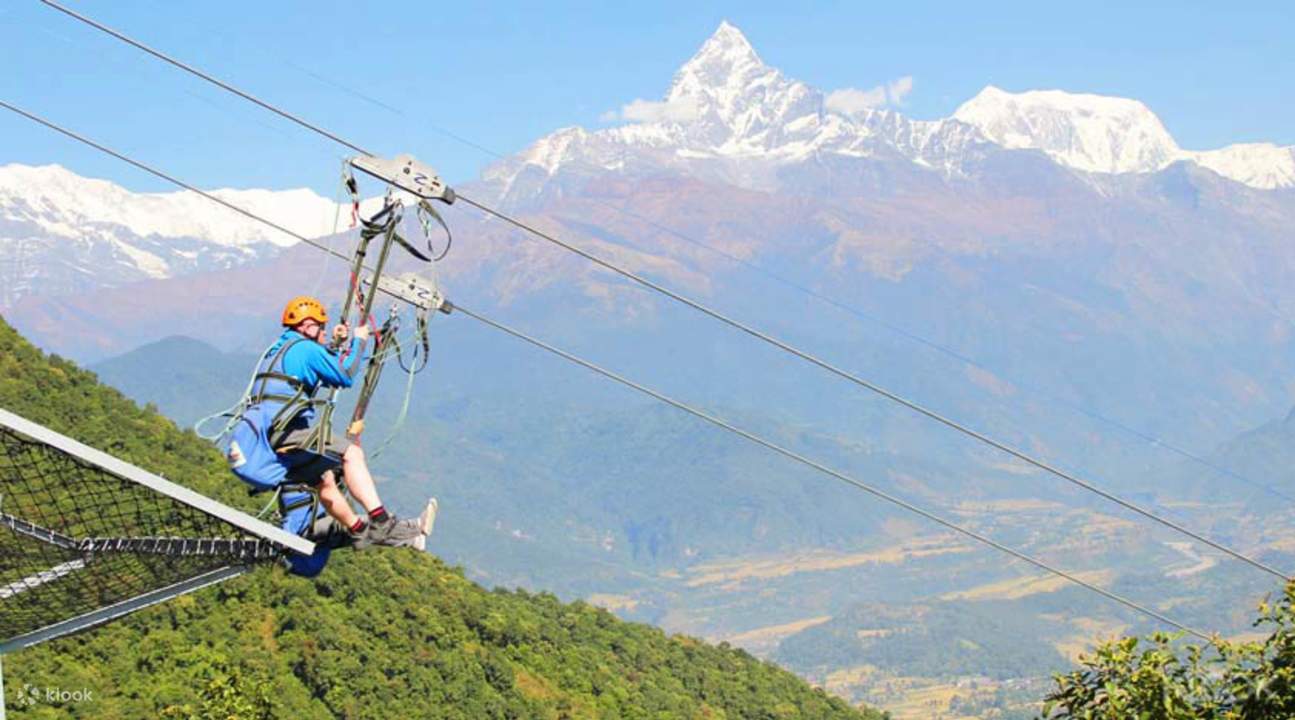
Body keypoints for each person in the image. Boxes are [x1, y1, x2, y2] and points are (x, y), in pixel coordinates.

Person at [226, 295, 435, 576]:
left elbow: (312, 365)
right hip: (288, 432)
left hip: (270, 436)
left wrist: (335, 344)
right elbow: (345, 375)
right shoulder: (304, 349)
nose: (324, 331)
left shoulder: (281, 349)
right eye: (321, 327)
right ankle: (381, 521)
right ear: (308, 325)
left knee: (324, 479)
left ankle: (361, 530)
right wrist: (360, 341)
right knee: (351, 454)